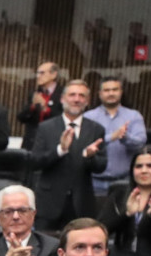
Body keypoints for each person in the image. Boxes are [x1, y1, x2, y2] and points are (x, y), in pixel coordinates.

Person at [28, 81, 107, 229]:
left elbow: (101, 166)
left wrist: (90, 157)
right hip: (49, 203)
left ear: (87, 101)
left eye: (81, 96)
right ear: (63, 99)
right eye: (72, 95)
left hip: (81, 203)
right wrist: (60, 150)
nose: (77, 99)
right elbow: (35, 162)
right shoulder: (46, 127)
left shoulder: (96, 129)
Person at [82, 76, 147, 190]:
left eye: (115, 90)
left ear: (121, 92)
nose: (111, 93)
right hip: (94, 182)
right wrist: (111, 137)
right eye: (107, 90)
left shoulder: (133, 116)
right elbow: (84, 145)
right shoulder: (88, 117)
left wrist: (125, 137)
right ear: (100, 94)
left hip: (124, 181)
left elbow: (141, 143)